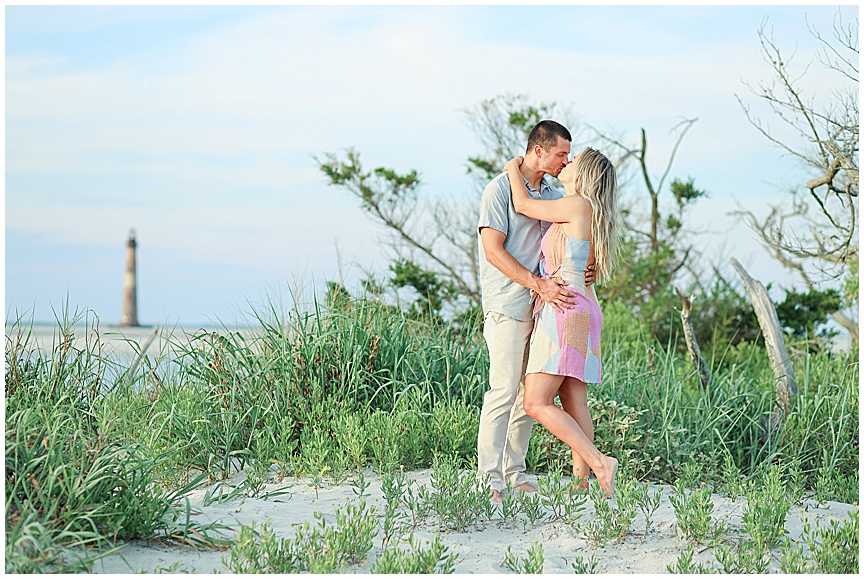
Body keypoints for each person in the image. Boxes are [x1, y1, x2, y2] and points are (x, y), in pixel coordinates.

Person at [476, 120, 594, 503]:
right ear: (539, 150)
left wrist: (581, 267)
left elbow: (562, 241)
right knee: (504, 390)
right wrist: (537, 283)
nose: (566, 160)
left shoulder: (550, 191)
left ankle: (514, 473)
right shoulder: (498, 190)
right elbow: (493, 251)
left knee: (529, 395)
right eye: (561, 153)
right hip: (510, 304)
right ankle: (488, 480)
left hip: (545, 307)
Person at [503, 147, 620, 498]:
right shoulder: (584, 210)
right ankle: (583, 484)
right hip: (580, 306)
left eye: (573, 160)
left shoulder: (577, 204)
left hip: (565, 308)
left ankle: (600, 463)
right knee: (573, 400)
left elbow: (522, 205)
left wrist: (513, 167)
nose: (566, 162)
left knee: (535, 402)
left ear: (584, 174)